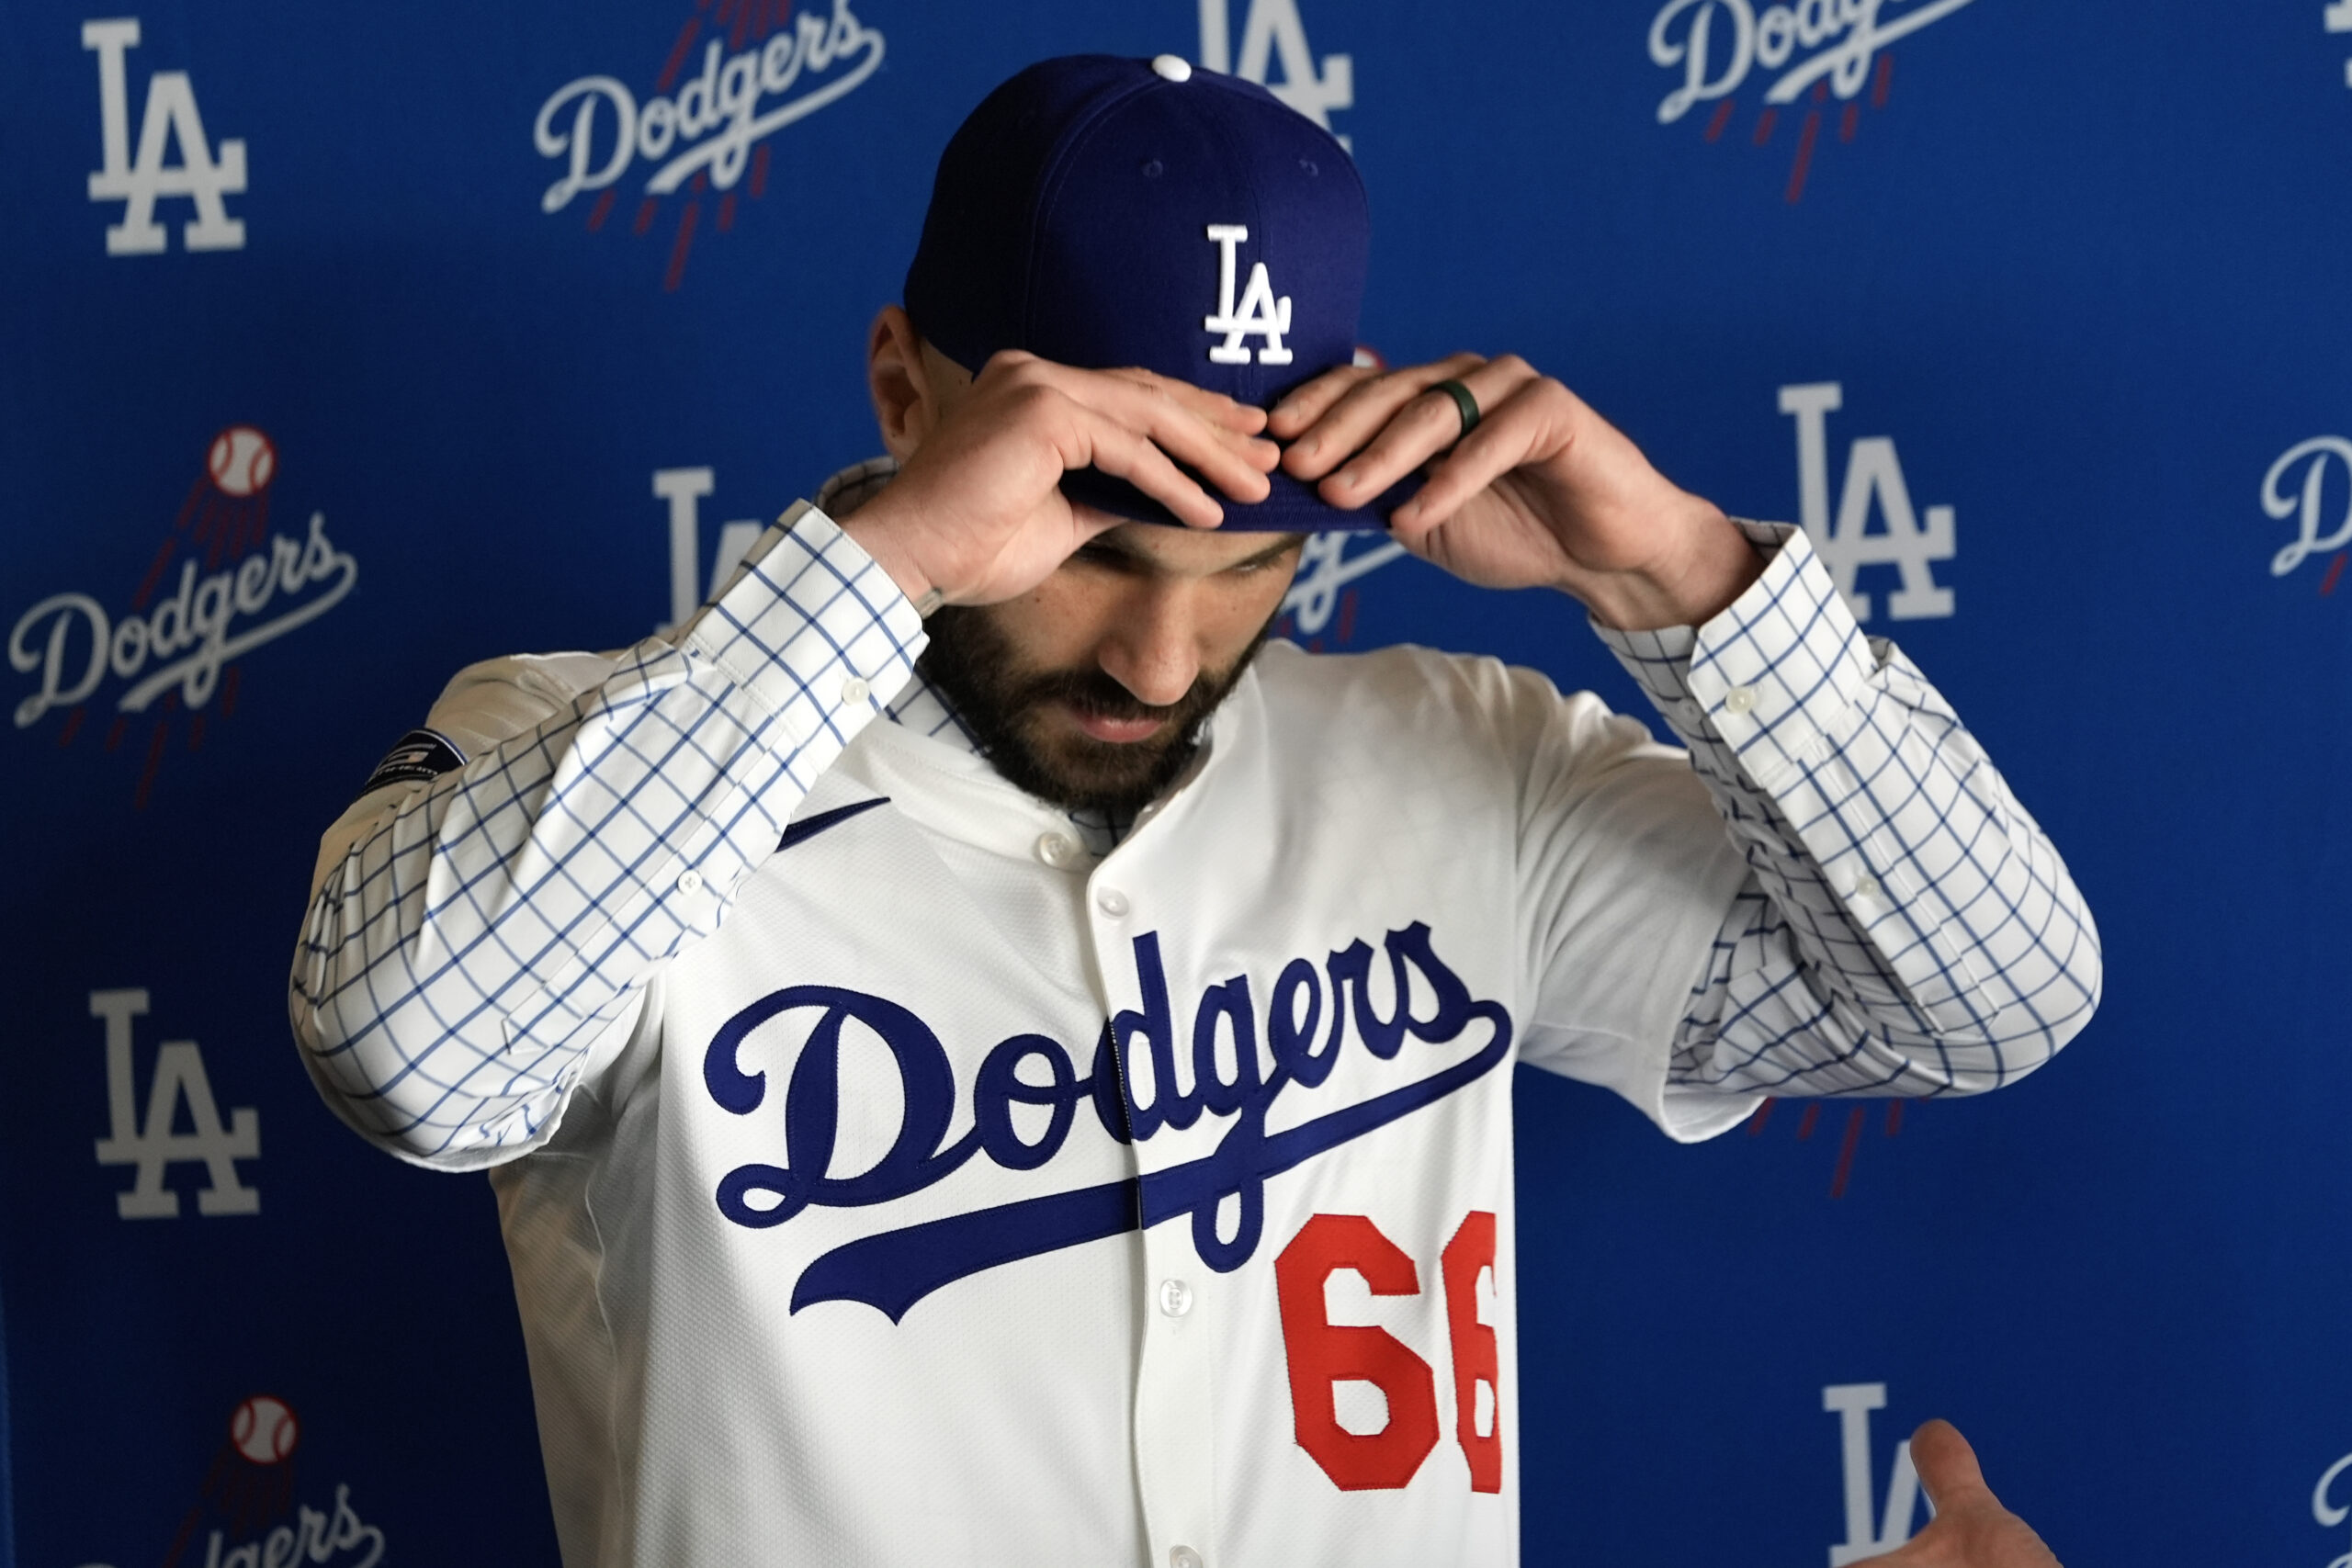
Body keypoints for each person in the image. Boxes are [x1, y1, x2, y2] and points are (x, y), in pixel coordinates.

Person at [290, 53, 2097, 1568]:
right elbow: (414, 1053)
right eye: (1097, 532)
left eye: (1250, 563)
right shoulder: (587, 756)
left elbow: (1982, 998)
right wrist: (891, 558)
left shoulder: (1454, 755)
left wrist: (1687, 582)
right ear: (905, 386)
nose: (1163, 652)